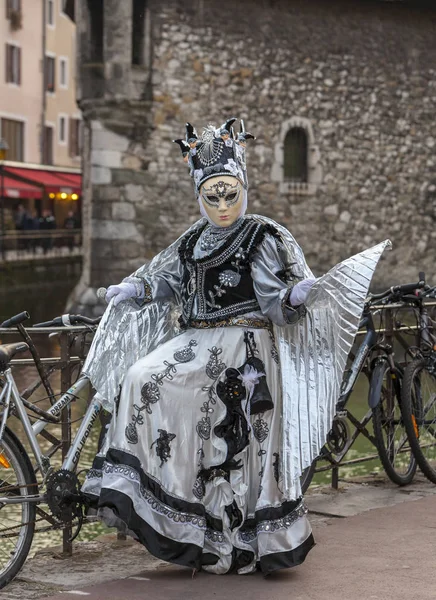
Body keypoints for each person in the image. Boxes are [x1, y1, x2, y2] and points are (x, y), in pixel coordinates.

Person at [82, 117, 389, 576]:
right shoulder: (190, 242)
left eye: (230, 193)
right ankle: (188, 521)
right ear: (199, 195)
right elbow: (166, 281)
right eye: (212, 196)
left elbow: (275, 302)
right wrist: (134, 291)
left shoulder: (260, 236)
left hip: (243, 353)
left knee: (237, 447)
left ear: (243, 188)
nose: (223, 205)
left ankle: (243, 536)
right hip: (196, 345)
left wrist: (295, 296)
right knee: (147, 384)